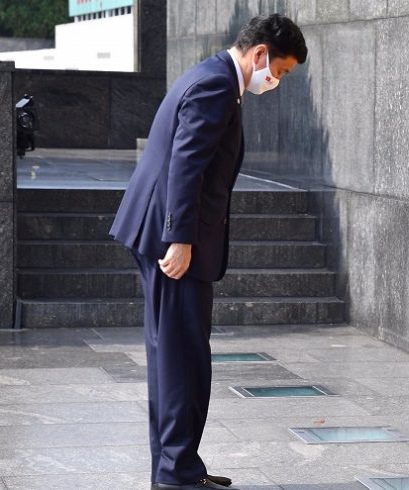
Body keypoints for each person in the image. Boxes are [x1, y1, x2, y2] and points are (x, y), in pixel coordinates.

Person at [108, 14, 307, 490]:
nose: (275, 82)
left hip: (165, 231)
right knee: (182, 360)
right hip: (172, 239)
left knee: (176, 357)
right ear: (260, 54)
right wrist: (179, 239)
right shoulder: (217, 85)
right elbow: (186, 164)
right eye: (279, 71)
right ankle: (177, 474)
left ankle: (176, 468)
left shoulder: (212, 77)